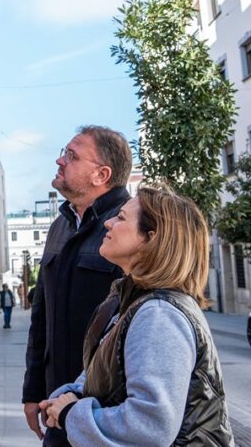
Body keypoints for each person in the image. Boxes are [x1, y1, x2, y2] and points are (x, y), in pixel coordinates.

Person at [40, 186, 233, 445]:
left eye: (120, 218)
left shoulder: (159, 315)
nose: (107, 223)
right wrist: (71, 394)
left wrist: (70, 413)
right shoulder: (131, 301)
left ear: (151, 238)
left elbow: (149, 426)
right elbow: (111, 375)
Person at [23, 126, 132, 445]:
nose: (59, 161)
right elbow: (41, 317)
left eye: (71, 155)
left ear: (102, 174)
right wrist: (33, 392)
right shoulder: (60, 226)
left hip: (107, 415)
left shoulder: (132, 228)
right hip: (56, 407)